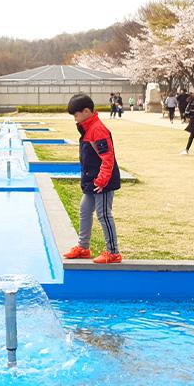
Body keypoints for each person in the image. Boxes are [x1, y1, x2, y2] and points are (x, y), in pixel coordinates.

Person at [63, 93, 122, 263]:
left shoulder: (97, 129)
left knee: (104, 214)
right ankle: (83, 248)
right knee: (84, 210)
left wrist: (102, 180)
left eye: (76, 115)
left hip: (102, 182)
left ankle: (113, 252)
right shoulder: (88, 128)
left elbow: (108, 157)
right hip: (92, 181)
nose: (75, 119)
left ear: (86, 111)